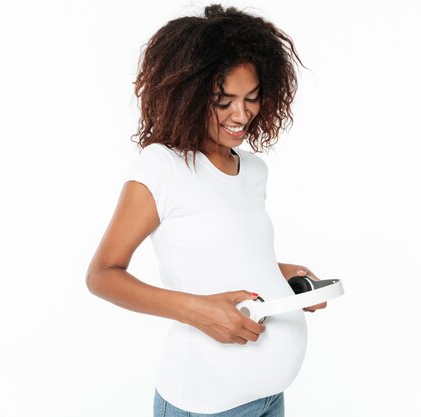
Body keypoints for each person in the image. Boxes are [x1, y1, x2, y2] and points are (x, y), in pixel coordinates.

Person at [86, 4, 328, 416]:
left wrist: (279, 276)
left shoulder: (253, 170)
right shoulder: (163, 166)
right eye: (223, 101)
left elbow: (224, 251)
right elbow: (103, 275)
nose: (241, 114)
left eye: (251, 98)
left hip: (269, 399)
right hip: (206, 402)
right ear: (190, 95)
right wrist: (198, 311)